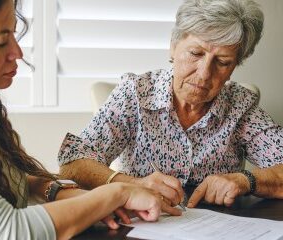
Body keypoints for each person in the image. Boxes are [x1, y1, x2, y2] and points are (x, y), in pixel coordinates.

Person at [0, 0, 182, 239]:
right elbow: (3, 231)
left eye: (14, 33)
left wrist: (58, 191)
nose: (17, 52)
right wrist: (117, 192)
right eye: (1, 42)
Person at [58, 0, 283, 209]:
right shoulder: (135, 94)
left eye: (223, 62)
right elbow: (73, 162)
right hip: (144, 222)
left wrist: (247, 180)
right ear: (173, 47)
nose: (204, 74)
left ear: (236, 65)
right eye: (195, 53)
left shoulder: (240, 105)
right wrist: (133, 184)